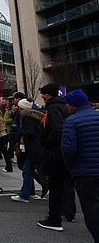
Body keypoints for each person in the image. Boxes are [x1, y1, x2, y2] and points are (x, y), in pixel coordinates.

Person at [61, 89, 99, 242]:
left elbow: (68, 150)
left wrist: (71, 168)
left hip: (85, 172)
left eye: (67, 104)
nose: (66, 107)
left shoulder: (71, 121)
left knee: (92, 211)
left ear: (73, 105)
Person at [38, 83, 72, 232]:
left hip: (55, 151)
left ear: (48, 94)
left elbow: (57, 129)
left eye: (43, 94)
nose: (42, 96)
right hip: (64, 150)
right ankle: (65, 212)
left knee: (55, 184)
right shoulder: (63, 105)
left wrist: (46, 141)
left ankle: (54, 218)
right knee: (66, 184)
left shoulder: (53, 107)